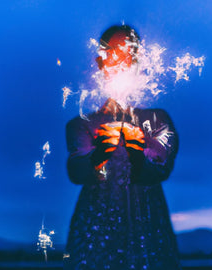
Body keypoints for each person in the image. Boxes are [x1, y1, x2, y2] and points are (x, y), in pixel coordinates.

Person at [64, 25, 180, 270]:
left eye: (131, 55)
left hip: (148, 232)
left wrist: (138, 155)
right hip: (95, 233)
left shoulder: (157, 120)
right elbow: (76, 171)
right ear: (100, 60)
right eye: (115, 53)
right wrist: (99, 155)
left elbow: (161, 169)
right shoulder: (82, 124)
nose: (122, 62)